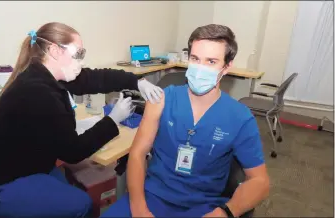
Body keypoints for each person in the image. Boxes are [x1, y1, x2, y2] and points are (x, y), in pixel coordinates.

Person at [0, 22, 163, 218]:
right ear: (54, 51)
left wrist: (137, 82)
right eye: (78, 54)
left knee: (65, 188)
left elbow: (96, 78)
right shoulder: (39, 93)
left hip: (23, 166)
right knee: (82, 204)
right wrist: (112, 119)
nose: (82, 61)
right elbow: (73, 152)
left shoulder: (44, 74)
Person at [102, 24, 270, 217]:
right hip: (153, 195)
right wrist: (139, 207)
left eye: (211, 62)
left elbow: (260, 181)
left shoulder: (240, 117)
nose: (200, 69)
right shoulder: (162, 100)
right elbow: (138, 154)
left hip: (204, 206)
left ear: (226, 66)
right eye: (195, 59)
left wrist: (226, 212)